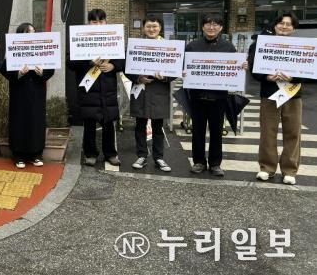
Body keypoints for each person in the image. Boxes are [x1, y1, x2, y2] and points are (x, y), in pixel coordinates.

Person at [248, 12, 307, 185]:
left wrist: (293, 77)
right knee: (268, 132)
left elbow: (312, 73)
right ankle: (267, 168)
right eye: (281, 23)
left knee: (293, 132)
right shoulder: (261, 45)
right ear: (275, 26)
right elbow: (253, 68)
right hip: (270, 94)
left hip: (293, 93)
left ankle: (289, 170)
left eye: (289, 24)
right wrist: (266, 77)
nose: (284, 26)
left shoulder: (302, 47)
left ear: (293, 28)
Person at [185, 13, 246, 177]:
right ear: (202, 26)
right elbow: (183, 67)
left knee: (217, 131)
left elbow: (235, 68)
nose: (211, 27)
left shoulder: (228, 47)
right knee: (197, 130)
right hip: (197, 95)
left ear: (221, 27)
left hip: (219, 97)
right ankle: (198, 161)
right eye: (208, 24)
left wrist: (242, 67)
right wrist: (183, 72)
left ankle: (215, 163)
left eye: (215, 24)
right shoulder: (192, 46)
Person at [68, 8, 125, 167]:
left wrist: (113, 66)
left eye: (101, 21)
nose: (98, 24)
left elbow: (122, 61)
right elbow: (70, 62)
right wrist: (89, 62)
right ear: (89, 23)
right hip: (88, 88)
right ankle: (90, 154)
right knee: (89, 124)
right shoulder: (79, 37)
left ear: (106, 22)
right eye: (94, 21)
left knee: (109, 123)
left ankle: (111, 154)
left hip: (107, 89)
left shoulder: (114, 37)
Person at [0, 22, 54, 168]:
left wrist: (42, 73)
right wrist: (18, 73)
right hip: (19, 92)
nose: (31, 34)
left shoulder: (42, 48)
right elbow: (4, 69)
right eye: (27, 32)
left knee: (36, 121)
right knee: (19, 121)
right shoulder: (13, 48)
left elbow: (51, 68)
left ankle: (36, 154)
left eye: (33, 31)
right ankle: (18, 155)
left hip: (37, 92)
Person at [127, 14, 173, 172]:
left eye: (155, 26)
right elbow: (127, 67)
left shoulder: (168, 47)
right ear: (143, 28)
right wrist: (138, 78)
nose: (151, 29)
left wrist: (165, 76)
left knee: (158, 127)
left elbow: (175, 69)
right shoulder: (135, 46)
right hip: (141, 90)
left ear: (160, 28)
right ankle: (141, 156)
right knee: (140, 125)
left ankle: (159, 157)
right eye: (148, 26)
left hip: (159, 90)